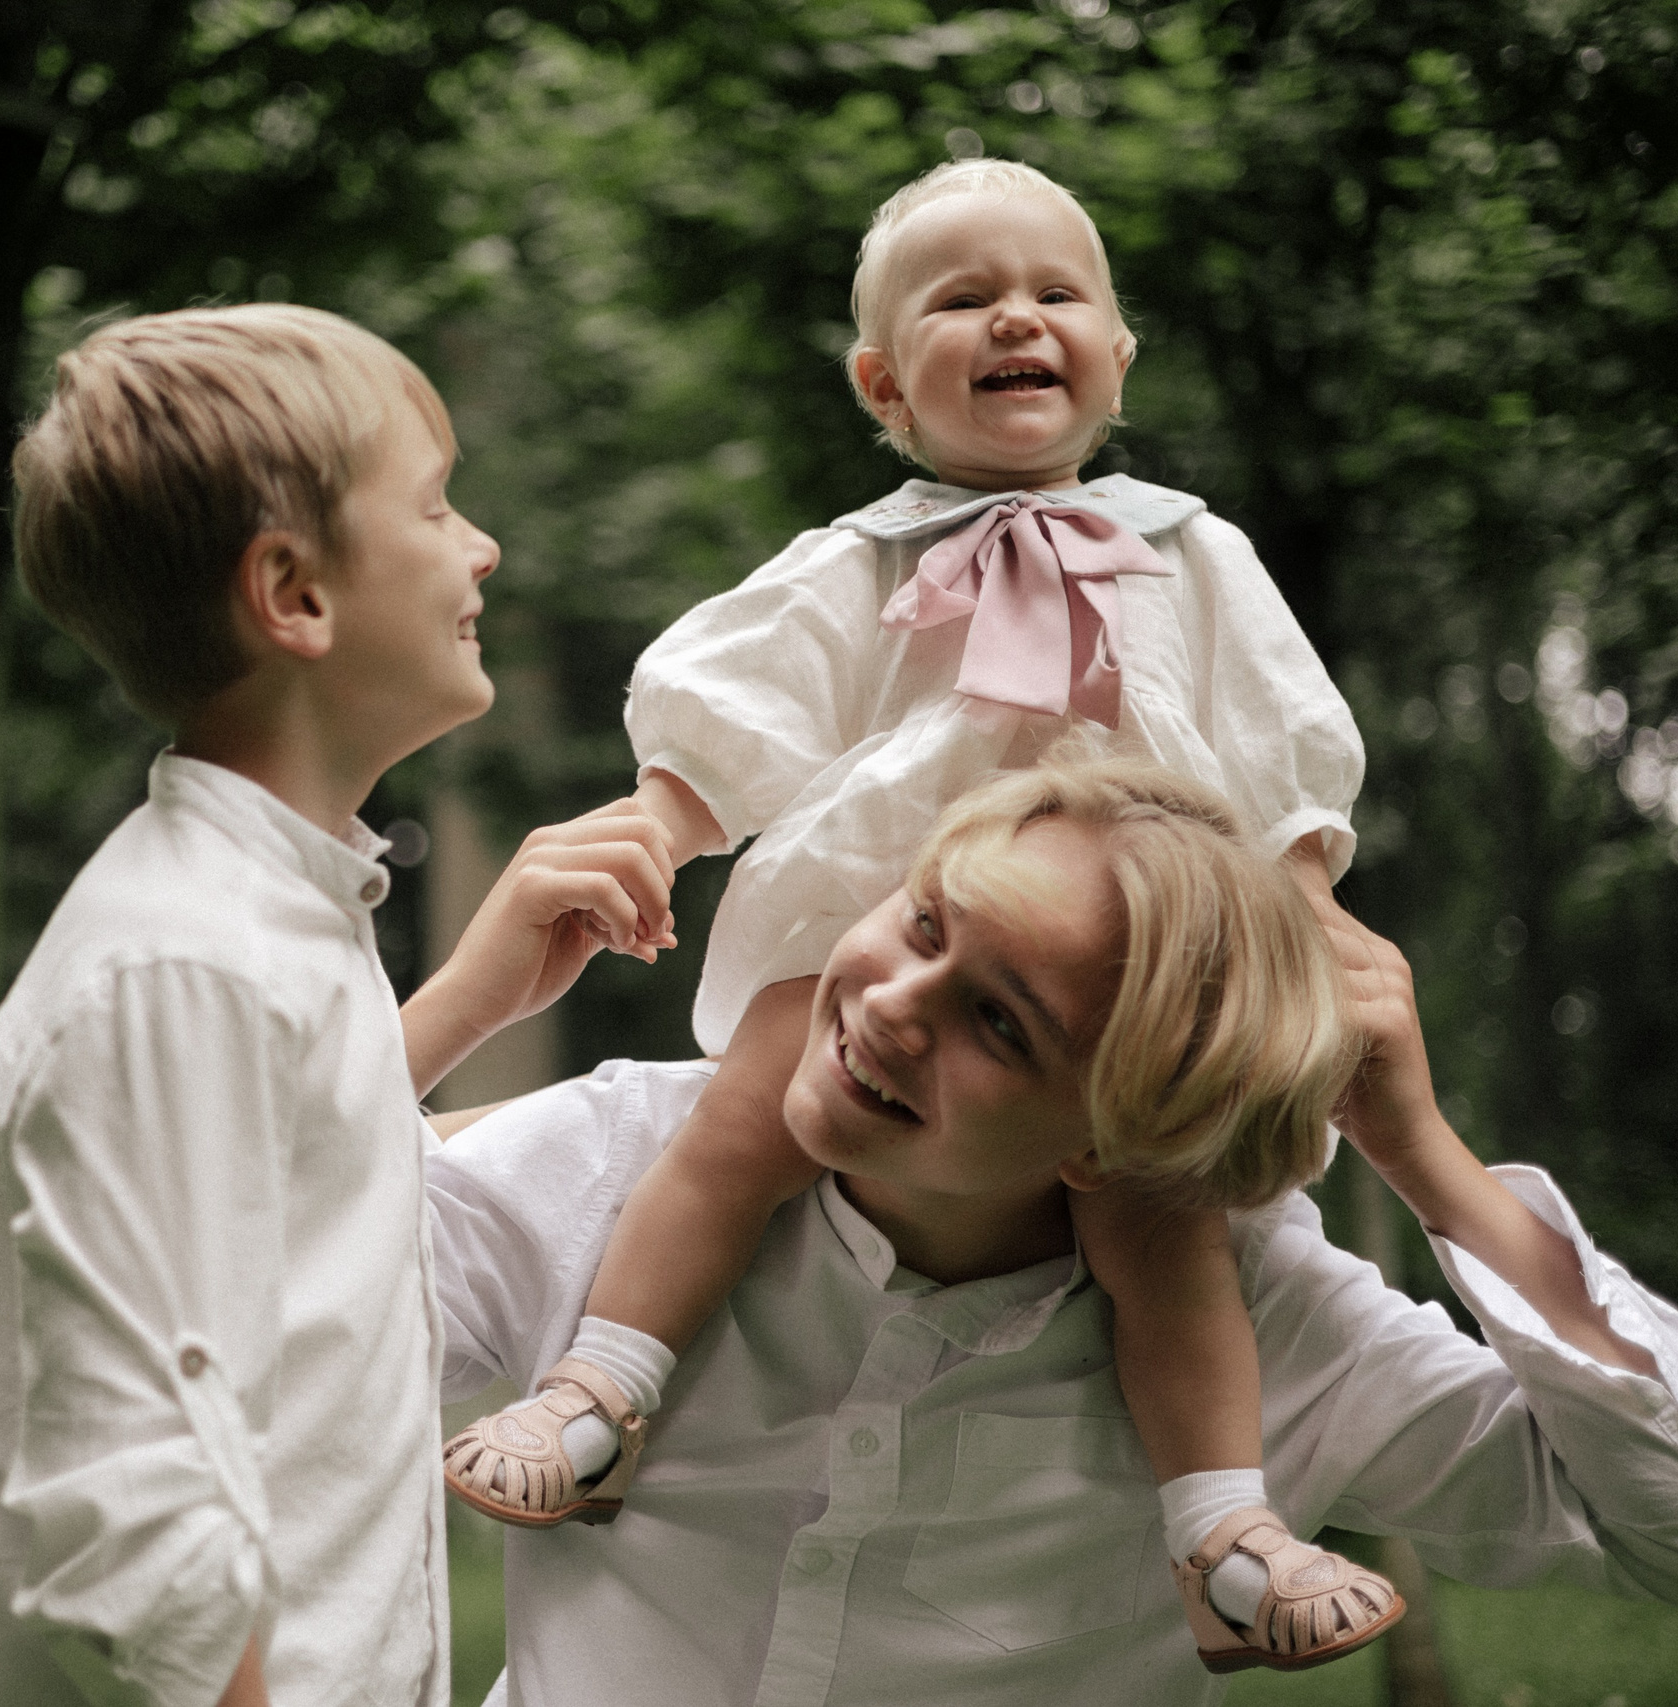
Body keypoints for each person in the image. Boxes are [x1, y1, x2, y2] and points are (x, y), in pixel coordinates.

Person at [442, 157, 1385, 1666]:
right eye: (965, 300)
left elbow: (1277, 740)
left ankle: (1220, 1525)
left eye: (1056, 293)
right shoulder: (861, 560)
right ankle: (604, 1388)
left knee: (1163, 1227)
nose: (1018, 315)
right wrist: (666, 829)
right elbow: (749, 705)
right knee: (741, 1124)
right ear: (887, 386)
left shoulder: (1197, 556)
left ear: (1117, 357)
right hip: (875, 943)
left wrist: (1296, 913)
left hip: (1108, 990)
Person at [428, 757, 1678, 1705]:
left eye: (1002, 1023)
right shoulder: (616, 1165)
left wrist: (1424, 1154)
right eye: (921, 924)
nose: (895, 1005)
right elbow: (244, 1324)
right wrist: (451, 1016)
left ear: (1109, 1139)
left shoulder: (1265, 1326)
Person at [0, 304, 680, 1707]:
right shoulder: (180, 970)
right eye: (433, 506)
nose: (479, 545)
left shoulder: (258, 927)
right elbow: (137, 1518)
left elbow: (273, 1209)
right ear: (293, 593)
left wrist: (462, 1005)